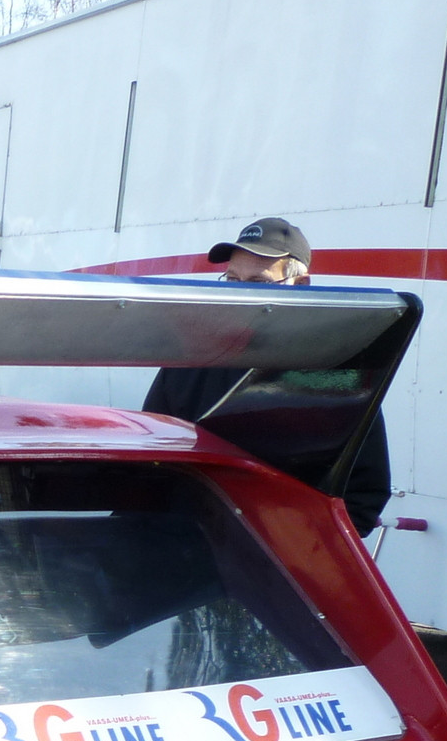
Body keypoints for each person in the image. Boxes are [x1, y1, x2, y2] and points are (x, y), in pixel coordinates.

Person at [142, 216, 391, 534]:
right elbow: (149, 465)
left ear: (301, 286)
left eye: (257, 282)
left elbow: (362, 498)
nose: (239, 295)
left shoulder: (336, 373)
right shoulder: (191, 362)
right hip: (185, 556)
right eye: (232, 280)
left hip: (279, 567)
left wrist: (293, 552)